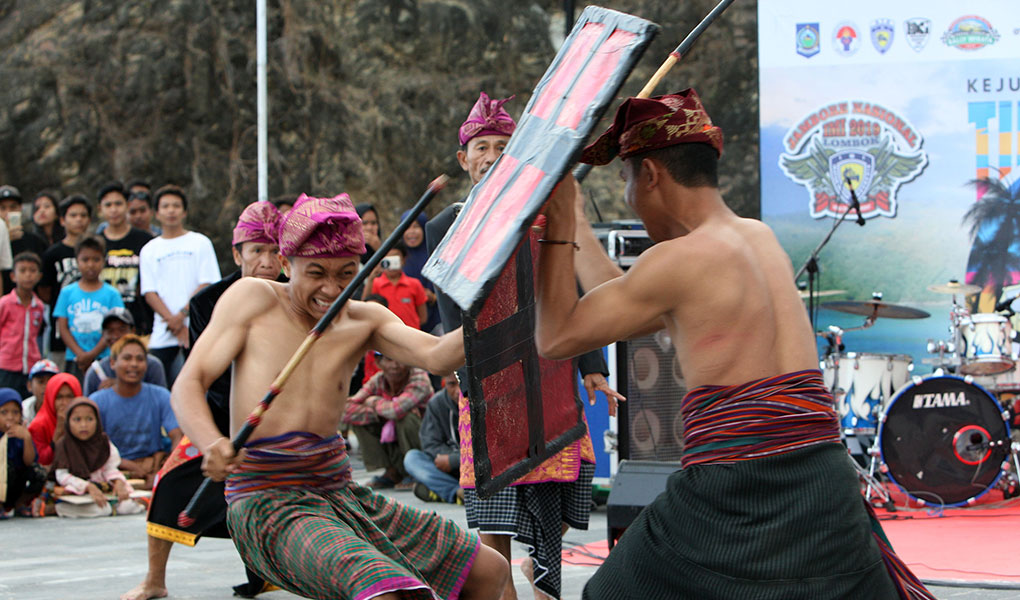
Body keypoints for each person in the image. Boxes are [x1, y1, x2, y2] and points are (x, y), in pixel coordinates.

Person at [534, 89, 935, 600]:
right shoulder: (758, 238)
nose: (630, 194)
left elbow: (556, 337)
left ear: (651, 175)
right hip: (823, 480)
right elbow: (626, 299)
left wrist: (560, 226)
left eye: (627, 178)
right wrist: (581, 230)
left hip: (739, 484)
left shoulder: (679, 260)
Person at [172, 193, 507, 600]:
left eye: (346, 274)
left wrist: (495, 296)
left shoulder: (365, 318)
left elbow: (438, 356)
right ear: (284, 264)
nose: (331, 289)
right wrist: (212, 443)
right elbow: (189, 383)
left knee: (490, 571)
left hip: (340, 494)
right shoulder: (252, 300)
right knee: (380, 591)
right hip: (267, 503)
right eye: (315, 273)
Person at [427, 91, 616, 600]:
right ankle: (501, 586)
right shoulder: (445, 225)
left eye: (502, 145)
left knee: (555, 489)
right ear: (464, 159)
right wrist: (463, 373)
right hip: (489, 381)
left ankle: (543, 580)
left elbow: (569, 289)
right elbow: (451, 313)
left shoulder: (543, 215)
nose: (491, 155)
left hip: (550, 371)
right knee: (494, 496)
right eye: (481, 146)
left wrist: (592, 365)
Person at [123, 201, 284, 600]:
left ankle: (276, 571)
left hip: (285, 421)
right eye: (257, 250)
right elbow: (204, 373)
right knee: (169, 486)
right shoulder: (208, 303)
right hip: (220, 416)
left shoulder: (299, 298)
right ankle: (154, 581)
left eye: (275, 250)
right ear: (237, 254)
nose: (267, 260)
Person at [140, 185, 220, 384]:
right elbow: (150, 293)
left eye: (176, 205)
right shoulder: (149, 249)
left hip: (197, 330)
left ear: (184, 211)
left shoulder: (200, 243)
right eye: (165, 206)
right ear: (156, 213)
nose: (171, 210)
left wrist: (183, 315)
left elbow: (208, 284)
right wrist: (174, 323)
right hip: (163, 334)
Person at [90, 335, 181, 487]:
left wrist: (165, 471)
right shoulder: (97, 401)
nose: (134, 364)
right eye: (127, 358)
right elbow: (92, 446)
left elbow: (177, 436)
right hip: (111, 470)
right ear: (113, 363)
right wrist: (129, 466)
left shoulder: (161, 396)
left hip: (152, 468)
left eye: (140, 359)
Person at [343, 351, 433, 489]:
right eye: (389, 360)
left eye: (400, 360)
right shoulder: (378, 380)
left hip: (425, 442)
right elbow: (346, 409)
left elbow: (395, 410)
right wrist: (381, 412)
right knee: (360, 421)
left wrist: (373, 401)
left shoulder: (419, 378)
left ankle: (415, 472)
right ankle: (391, 472)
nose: (395, 366)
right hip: (394, 441)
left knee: (406, 418)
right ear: (378, 362)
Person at [52, 396, 145, 518]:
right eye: (77, 420)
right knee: (102, 510)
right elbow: (62, 475)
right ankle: (59, 509)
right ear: (68, 422)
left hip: (102, 487)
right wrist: (87, 486)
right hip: (76, 490)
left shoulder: (103, 443)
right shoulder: (64, 444)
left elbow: (110, 468)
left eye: (90, 419)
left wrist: (118, 482)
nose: (84, 425)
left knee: (126, 506)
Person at [54, 236, 124, 378]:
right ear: (77, 262)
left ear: (103, 261)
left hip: (104, 357)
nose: (90, 265)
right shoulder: (67, 292)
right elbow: (63, 327)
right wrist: (80, 354)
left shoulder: (112, 294)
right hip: (75, 359)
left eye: (96, 259)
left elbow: (116, 329)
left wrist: (92, 354)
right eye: (85, 260)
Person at [40, 195, 94, 367]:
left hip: (94, 334)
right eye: (73, 215)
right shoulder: (52, 254)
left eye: (83, 215)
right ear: (62, 220)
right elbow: (45, 292)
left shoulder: (97, 252)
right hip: (60, 334)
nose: (79, 220)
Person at [96, 181, 155, 335]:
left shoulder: (145, 240)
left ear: (127, 206)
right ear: (100, 209)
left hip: (140, 320)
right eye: (108, 205)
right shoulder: (97, 243)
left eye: (118, 204)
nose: (114, 210)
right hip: (103, 320)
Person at [404, 375, 462, 504]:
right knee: (412, 458)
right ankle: (457, 492)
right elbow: (430, 444)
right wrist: (448, 459)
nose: (458, 390)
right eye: (452, 384)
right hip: (449, 467)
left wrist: (453, 460)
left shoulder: (483, 398)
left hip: (477, 467)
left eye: (462, 383)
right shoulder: (437, 403)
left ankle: (444, 491)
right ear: (444, 383)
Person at [82, 308, 167, 396]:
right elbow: (87, 408)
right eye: (110, 331)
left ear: (133, 331)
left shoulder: (153, 366)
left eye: (122, 330)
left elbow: (160, 400)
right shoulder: (95, 372)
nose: (116, 336)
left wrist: (122, 386)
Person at [0, 253, 46, 397]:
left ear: (39, 276)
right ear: (13, 276)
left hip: (30, 365)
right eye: (23, 270)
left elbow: (36, 333)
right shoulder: (5, 303)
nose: (28, 275)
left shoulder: (39, 306)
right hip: (6, 365)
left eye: (32, 271)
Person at [1, 388, 45, 516]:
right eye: (4, 412)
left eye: (15, 412)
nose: (10, 417)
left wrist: (27, 438)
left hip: (16, 484)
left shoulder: (20, 434)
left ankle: (19, 504)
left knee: (38, 472)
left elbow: (29, 461)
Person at [0, 185, 49, 294]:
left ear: (20, 209)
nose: (8, 213)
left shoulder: (35, 241)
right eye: (2, 208)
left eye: (13, 207)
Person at [28, 372, 81, 467]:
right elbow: (42, 460)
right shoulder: (39, 425)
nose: (64, 403)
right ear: (50, 398)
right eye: (59, 397)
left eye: (70, 396)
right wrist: (59, 431)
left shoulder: (85, 418)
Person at [368, 244, 427, 329]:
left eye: (395, 258)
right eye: (388, 259)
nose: (392, 263)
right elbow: (366, 305)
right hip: (385, 334)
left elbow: (423, 317)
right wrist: (371, 277)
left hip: (411, 333)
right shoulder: (375, 283)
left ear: (403, 260)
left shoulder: (414, 284)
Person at [21, 358, 60, 423]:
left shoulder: (63, 408)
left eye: (51, 381)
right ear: (29, 386)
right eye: (41, 382)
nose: (46, 386)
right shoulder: (24, 409)